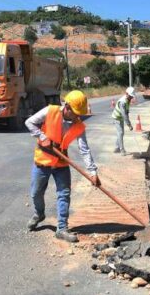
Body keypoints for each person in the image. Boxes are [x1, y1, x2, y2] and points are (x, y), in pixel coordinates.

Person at [24, 90, 100, 243]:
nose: (78, 116)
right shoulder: (50, 111)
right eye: (76, 112)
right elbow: (29, 122)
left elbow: (84, 150)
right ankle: (39, 214)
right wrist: (41, 136)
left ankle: (62, 228)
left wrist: (92, 171)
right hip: (43, 161)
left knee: (64, 194)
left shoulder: (79, 126)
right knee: (36, 193)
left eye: (80, 113)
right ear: (67, 106)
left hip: (61, 163)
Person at [112, 87, 135, 154]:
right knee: (120, 133)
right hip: (117, 118)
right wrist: (129, 125)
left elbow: (126, 112)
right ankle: (122, 150)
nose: (131, 98)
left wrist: (128, 122)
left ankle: (117, 147)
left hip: (120, 117)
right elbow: (124, 115)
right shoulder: (123, 102)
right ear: (126, 94)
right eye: (130, 96)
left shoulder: (128, 100)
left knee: (121, 133)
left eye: (132, 96)